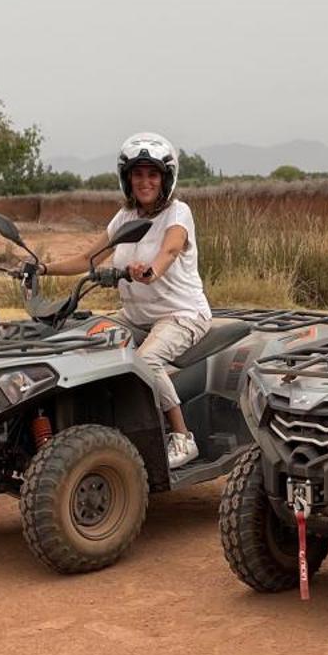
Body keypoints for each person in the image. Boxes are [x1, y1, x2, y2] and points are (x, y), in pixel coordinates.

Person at [42, 132, 210, 472]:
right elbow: (88, 257)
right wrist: (42, 268)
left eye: (152, 174)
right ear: (127, 178)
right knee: (83, 341)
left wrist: (150, 271)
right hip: (135, 315)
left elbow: (171, 249)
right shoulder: (124, 218)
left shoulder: (178, 213)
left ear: (166, 178)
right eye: (138, 174)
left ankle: (182, 437)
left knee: (145, 362)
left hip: (181, 314)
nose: (145, 181)